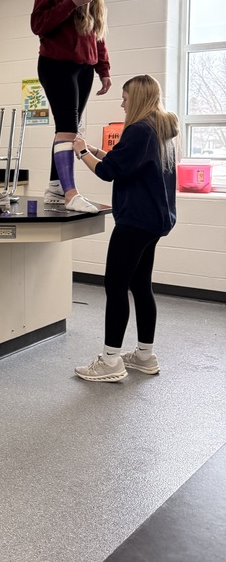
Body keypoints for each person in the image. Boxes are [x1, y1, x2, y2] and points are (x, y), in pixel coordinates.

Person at [72, 75, 179, 382]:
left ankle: (110, 362)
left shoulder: (138, 129)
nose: (122, 103)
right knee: (140, 285)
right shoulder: (159, 130)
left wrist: (81, 153)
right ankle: (145, 356)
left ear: (139, 99)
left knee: (115, 286)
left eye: (125, 98)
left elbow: (108, 173)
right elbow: (128, 163)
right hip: (156, 221)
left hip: (135, 221)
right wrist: (95, 148)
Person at [31, 0, 111, 214]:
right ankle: (70, 194)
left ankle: (55, 186)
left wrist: (104, 69)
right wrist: (72, 1)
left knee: (69, 129)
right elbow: (38, 24)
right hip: (57, 64)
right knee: (67, 129)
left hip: (83, 67)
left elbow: (96, 30)